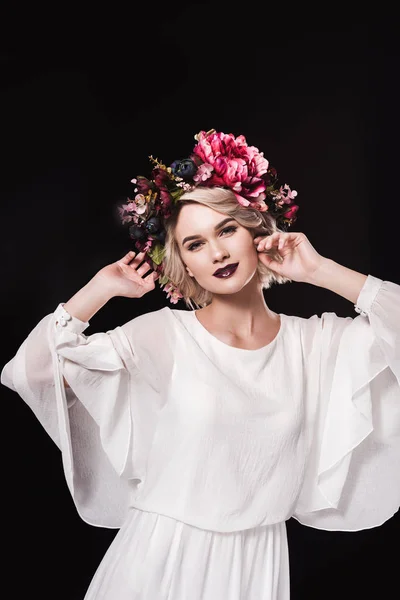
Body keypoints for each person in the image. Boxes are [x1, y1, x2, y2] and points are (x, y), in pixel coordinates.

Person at [1, 130, 399, 599]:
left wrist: (320, 270)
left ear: (256, 233)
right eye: (194, 244)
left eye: (226, 230)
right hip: (159, 561)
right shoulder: (163, 335)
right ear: (185, 264)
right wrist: (98, 291)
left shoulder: (315, 344)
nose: (216, 253)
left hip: (257, 566)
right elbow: (32, 373)